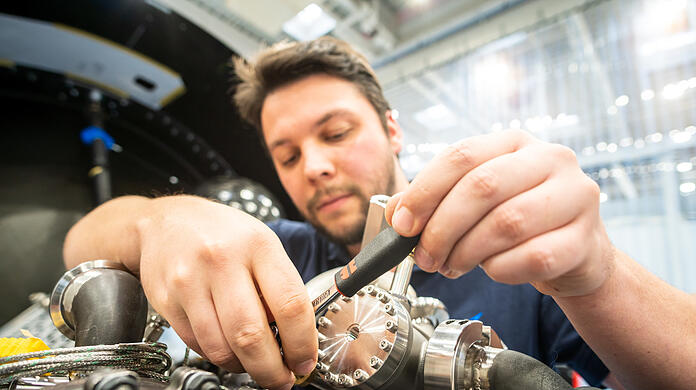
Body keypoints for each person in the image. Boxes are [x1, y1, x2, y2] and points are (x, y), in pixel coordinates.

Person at [63, 37, 695, 390]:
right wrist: (159, 221)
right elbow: (82, 245)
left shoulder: (520, 262)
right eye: (286, 155)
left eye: (335, 133)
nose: (312, 166)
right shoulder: (282, 251)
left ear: (392, 129)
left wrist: (600, 278)